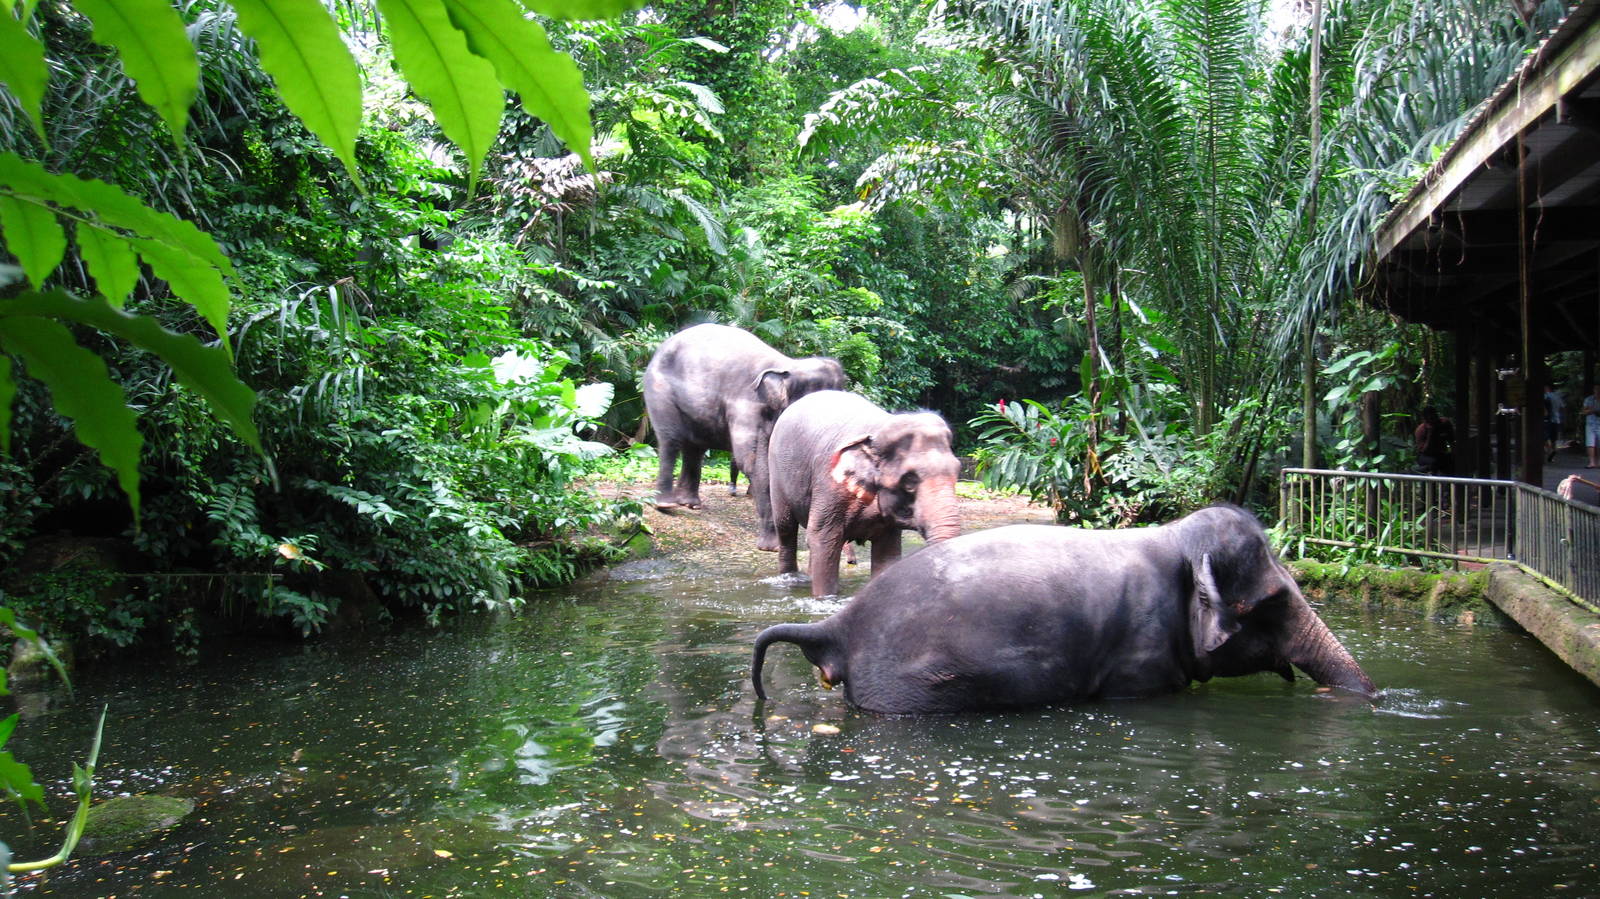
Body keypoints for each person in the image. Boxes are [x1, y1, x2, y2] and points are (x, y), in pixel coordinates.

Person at [1414, 406, 1455, 475]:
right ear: (1425, 420)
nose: (1434, 421)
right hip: (1425, 456)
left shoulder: (1444, 424)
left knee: (1450, 460)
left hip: (1441, 454)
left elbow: (1452, 439)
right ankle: (1426, 472)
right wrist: (1430, 434)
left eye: (1435, 417)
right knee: (1434, 462)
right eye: (1430, 419)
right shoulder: (1421, 430)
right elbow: (1424, 450)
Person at [1544, 382, 1563, 462]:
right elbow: (1562, 407)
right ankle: (1552, 456)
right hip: (1556, 419)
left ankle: (1550, 451)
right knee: (1553, 439)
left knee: (1545, 436)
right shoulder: (1558, 397)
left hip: (1547, 419)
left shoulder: (1545, 396)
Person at [1582, 383, 1600, 468]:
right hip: (1590, 423)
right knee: (1590, 443)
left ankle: (1599, 462)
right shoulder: (1589, 399)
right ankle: (1591, 462)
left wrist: (1592, 410)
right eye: (1596, 389)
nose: (1597, 391)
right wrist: (1592, 410)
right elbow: (1584, 411)